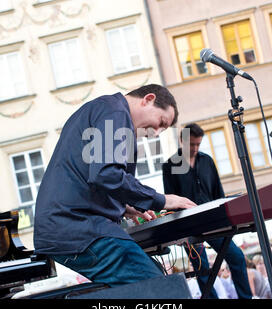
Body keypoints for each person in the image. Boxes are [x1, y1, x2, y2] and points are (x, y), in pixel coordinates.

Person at [33, 84, 197, 287]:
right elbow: (107, 174)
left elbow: (92, 176)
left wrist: (126, 208)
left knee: (152, 278)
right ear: (148, 99)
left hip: (65, 226)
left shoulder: (105, 109)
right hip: (77, 227)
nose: (155, 133)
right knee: (159, 288)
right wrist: (163, 200)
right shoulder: (116, 112)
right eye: (160, 123)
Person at [162, 123, 252, 299]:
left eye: (198, 144)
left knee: (237, 257)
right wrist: (178, 231)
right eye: (191, 144)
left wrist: (227, 220)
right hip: (188, 225)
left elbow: (218, 192)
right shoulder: (170, 165)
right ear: (182, 141)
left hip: (213, 221)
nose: (195, 148)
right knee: (202, 268)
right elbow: (170, 201)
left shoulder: (207, 161)